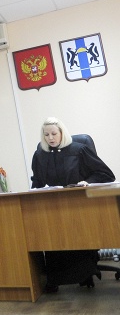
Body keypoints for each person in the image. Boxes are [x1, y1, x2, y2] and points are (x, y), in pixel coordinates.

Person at [31, 117, 115, 293]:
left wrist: (87, 182)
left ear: (62, 133)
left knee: (76, 234)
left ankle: (84, 274)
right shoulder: (39, 155)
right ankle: (54, 280)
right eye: (46, 135)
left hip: (80, 208)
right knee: (51, 236)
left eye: (54, 133)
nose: (50, 138)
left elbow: (106, 174)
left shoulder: (79, 150)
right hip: (53, 209)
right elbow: (37, 182)